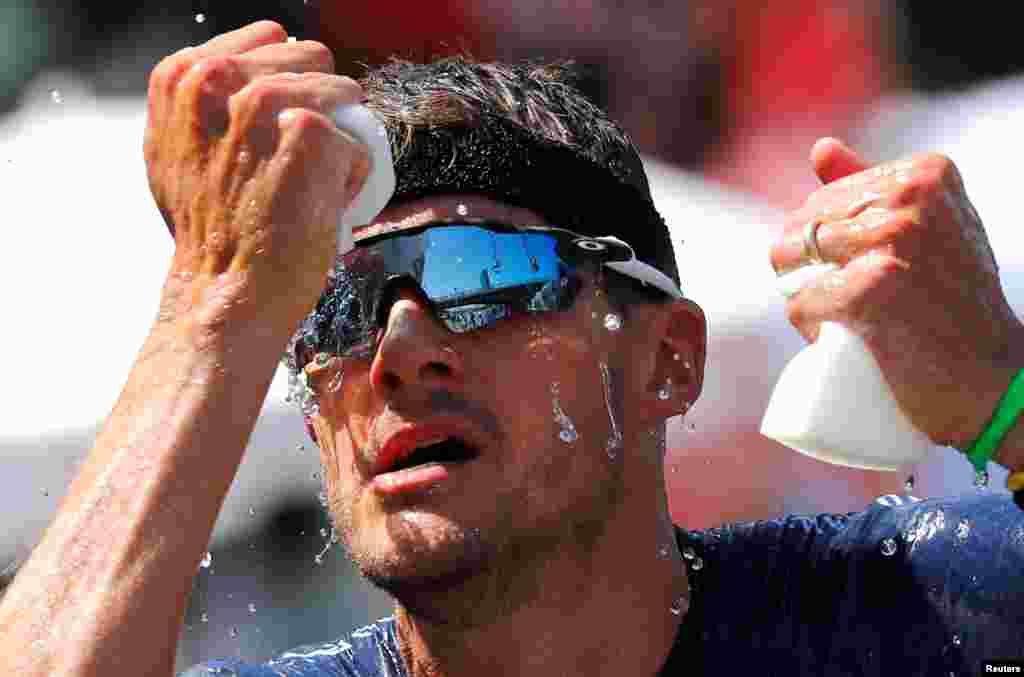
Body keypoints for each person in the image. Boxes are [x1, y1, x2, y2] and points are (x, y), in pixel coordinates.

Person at [1, 20, 1023, 676]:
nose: (400, 349)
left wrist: (1004, 395)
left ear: (668, 356)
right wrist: (213, 302)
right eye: (337, 310)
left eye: (482, 274)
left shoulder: (905, 617)